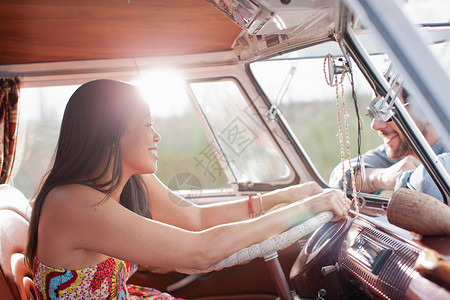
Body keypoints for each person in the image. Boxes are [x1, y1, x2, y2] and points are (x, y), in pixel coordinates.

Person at [26, 79, 349, 300]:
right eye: (147, 124)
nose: (157, 136)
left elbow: (196, 218)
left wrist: (285, 196)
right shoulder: (72, 204)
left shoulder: (130, 179)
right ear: (111, 133)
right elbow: (200, 251)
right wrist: (305, 210)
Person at [329, 87, 448, 201]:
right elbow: (339, 176)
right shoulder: (406, 150)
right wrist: (384, 177)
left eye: (386, 111)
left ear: (425, 110)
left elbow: (426, 184)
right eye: (373, 112)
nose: (375, 125)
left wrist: (404, 179)